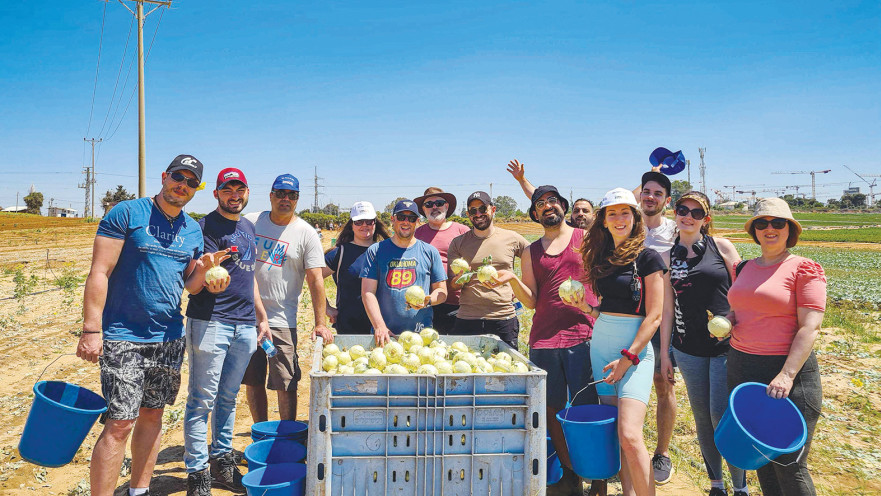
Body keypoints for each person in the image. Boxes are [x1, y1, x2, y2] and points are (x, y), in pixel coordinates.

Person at [75, 155, 209, 496]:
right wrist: (91, 329)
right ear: (164, 176)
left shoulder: (192, 229)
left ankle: (139, 490)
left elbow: (191, 285)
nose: (183, 185)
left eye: (192, 182)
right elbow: (100, 271)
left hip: (169, 337)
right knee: (120, 423)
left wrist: (206, 271)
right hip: (123, 335)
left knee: (153, 415)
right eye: (178, 177)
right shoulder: (128, 213)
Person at [493, 185, 603, 496]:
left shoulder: (586, 239)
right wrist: (513, 279)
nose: (547, 206)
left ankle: (597, 477)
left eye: (552, 200)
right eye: (540, 203)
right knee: (552, 410)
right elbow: (530, 301)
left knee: (586, 410)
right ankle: (570, 474)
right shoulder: (531, 251)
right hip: (544, 339)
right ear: (535, 213)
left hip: (583, 335)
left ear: (563, 207)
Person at [564, 187, 666, 496]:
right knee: (618, 434)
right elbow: (608, 309)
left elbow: (654, 316)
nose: (619, 219)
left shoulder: (648, 257)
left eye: (625, 212)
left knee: (631, 434)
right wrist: (586, 308)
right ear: (604, 221)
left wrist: (628, 357)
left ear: (635, 218)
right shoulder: (602, 257)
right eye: (613, 213)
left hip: (634, 352)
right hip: (601, 346)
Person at [726, 198, 825, 496]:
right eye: (761, 223)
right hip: (743, 367)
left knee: (789, 463)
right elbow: (742, 309)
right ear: (754, 230)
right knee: (761, 456)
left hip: (786, 372)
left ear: (789, 229)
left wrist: (787, 374)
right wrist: (728, 321)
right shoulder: (743, 267)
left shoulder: (804, 268)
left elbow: (810, 327)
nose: (769, 228)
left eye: (778, 223)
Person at [181, 168, 270, 495]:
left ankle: (221, 461)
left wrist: (261, 317)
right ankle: (197, 473)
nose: (234, 195)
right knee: (201, 399)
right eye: (227, 189)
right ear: (216, 193)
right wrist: (207, 277)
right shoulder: (203, 227)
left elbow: (249, 276)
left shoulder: (248, 227)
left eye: (239, 189)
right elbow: (193, 279)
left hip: (245, 324)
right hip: (210, 321)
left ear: (247, 192)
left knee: (228, 397)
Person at [660, 192, 746, 496]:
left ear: (705, 220)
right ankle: (716, 485)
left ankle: (741, 487)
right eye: (683, 210)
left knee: (721, 415)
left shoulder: (721, 246)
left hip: (726, 346)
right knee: (702, 418)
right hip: (688, 349)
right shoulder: (667, 257)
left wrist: (733, 320)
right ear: (675, 213)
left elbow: (743, 291)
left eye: (696, 213)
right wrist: (665, 353)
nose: (688, 216)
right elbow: (666, 309)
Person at [242, 173, 333, 423]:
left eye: (291, 195)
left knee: (286, 381)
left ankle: (287, 434)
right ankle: (260, 431)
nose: (286, 199)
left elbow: (316, 280)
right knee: (253, 380)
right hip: (247, 316)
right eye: (280, 194)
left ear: (297, 199)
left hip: (282, 319)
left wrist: (320, 323)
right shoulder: (251, 222)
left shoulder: (306, 233)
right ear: (271, 196)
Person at [446, 191, 528, 349]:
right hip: (467, 318)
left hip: (503, 318)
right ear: (468, 214)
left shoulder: (512, 238)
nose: (478, 214)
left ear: (493, 209)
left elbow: (535, 258)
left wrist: (519, 285)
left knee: (506, 364)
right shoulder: (458, 243)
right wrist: (462, 277)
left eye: (483, 209)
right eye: (473, 211)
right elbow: (453, 285)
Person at [361, 199, 447, 345]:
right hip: (385, 335)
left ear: (417, 222)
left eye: (411, 218)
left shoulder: (430, 252)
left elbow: (442, 291)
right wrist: (379, 326)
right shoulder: (376, 251)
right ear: (393, 219)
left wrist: (428, 301)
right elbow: (368, 292)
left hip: (421, 336)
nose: (406, 222)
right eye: (401, 217)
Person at [638, 169, 678, 484]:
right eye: (646, 191)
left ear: (667, 201)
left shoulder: (675, 231)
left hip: (662, 318)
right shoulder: (625, 224)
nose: (651, 197)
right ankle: (627, 448)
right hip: (627, 317)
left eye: (658, 193)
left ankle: (662, 453)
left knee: (663, 384)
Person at [322, 201, 390, 334]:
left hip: (385, 327)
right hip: (349, 329)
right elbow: (313, 279)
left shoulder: (385, 251)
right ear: (351, 225)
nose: (364, 225)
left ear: (375, 223)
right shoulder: (339, 253)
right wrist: (326, 308)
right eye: (359, 222)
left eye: (369, 221)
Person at [414, 187, 470, 333]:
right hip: (427, 303)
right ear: (423, 209)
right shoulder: (416, 234)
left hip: (458, 303)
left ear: (446, 206)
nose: (434, 207)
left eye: (439, 203)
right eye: (429, 204)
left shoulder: (462, 231)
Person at [505, 159, 594, 228]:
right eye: (576, 211)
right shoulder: (565, 230)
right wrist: (521, 179)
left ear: (594, 216)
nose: (580, 214)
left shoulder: (600, 235)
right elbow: (538, 197)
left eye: (585, 211)